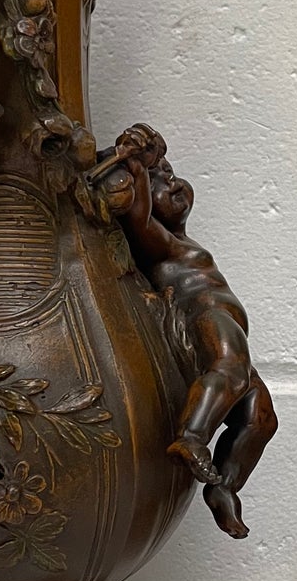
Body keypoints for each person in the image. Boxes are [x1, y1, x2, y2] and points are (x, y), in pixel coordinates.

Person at [106, 124, 276, 538]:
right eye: (161, 181)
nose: (174, 182)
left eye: (172, 174)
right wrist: (137, 168)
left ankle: (224, 487)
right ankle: (193, 435)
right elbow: (138, 218)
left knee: (261, 417)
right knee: (231, 370)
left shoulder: (183, 240)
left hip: (225, 325)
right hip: (203, 316)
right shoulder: (159, 243)